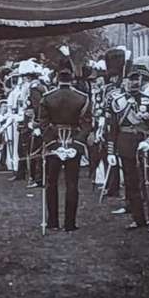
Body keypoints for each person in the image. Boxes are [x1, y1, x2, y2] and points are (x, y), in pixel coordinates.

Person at [110, 62, 149, 231]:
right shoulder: (118, 101)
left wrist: (148, 142)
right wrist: (111, 151)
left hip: (144, 145)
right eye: (130, 79)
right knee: (131, 183)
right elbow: (113, 128)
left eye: (137, 79)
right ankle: (138, 218)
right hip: (125, 145)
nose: (134, 82)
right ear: (125, 80)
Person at [37, 61, 92, 231]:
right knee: (72, 184)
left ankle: (52, 221)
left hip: (54, 144)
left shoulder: (47, 97)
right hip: (73, 142)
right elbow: (87, 124)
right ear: (72, 78)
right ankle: (70, 223)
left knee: (51, 183)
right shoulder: (82, 97)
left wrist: (53, 144)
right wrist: (76, 145)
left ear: (56, 78)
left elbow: (43, 123)